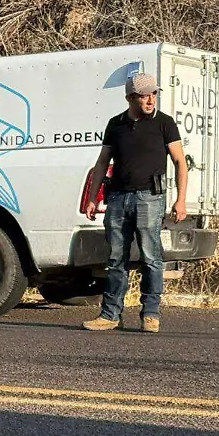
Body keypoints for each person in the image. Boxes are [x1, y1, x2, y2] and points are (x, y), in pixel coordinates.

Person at [82, 73, 188, 333]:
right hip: (118, 198)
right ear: (130, 97)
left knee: (151, 257)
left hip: (150, 198)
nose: (151, 99)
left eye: (153, 93)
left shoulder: (164, 124)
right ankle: (110, 315)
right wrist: (93, 198)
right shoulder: (115, 124)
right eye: (144, 95)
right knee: (116, 257)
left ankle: (150, 314)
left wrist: (180, 200)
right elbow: (102, 162)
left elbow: (180, 162)